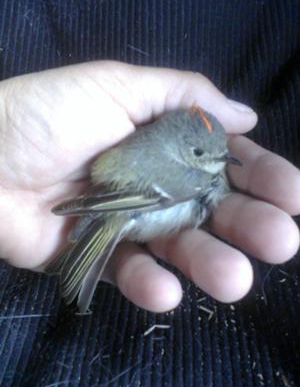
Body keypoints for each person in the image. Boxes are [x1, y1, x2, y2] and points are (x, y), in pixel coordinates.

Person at [0, 60, 299, 313]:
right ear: (184, 151)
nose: (218, 158)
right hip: (123, 206)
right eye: (199, 154)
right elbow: (136, 194)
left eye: (220, 148)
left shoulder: (169, 141)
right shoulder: (191, 177)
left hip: (113, 187)